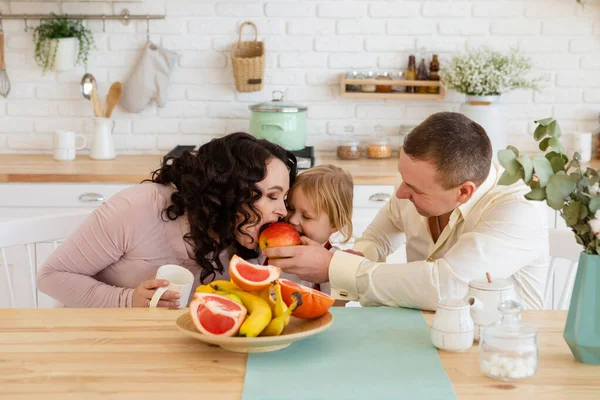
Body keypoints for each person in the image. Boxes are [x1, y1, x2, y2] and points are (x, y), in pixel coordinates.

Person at [263, 112, 549, 311]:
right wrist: (355, 257)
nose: (400, 194)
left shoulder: (518, 211)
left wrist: (334, 267)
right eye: (402, 178)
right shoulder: (414, 187)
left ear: (464, 191)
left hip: (500, 346)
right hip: (427, 332)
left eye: (414, 189)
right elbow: (377, 239)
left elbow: (444, 287)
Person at [37, 132, 297, 308]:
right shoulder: (136, 208)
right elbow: (51, 276)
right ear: (227, 193)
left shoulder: (238, 233)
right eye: (273, 196)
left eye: (283, 198)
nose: (282, 212)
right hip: (98, 343)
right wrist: (127, 300)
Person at [285, 164, 354, 295]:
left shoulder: (335, 263)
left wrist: (339, 276)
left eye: (306, 216)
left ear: (335, 224)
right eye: (290, 208)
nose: (293, 220)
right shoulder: (268, 247)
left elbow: (335, 310)